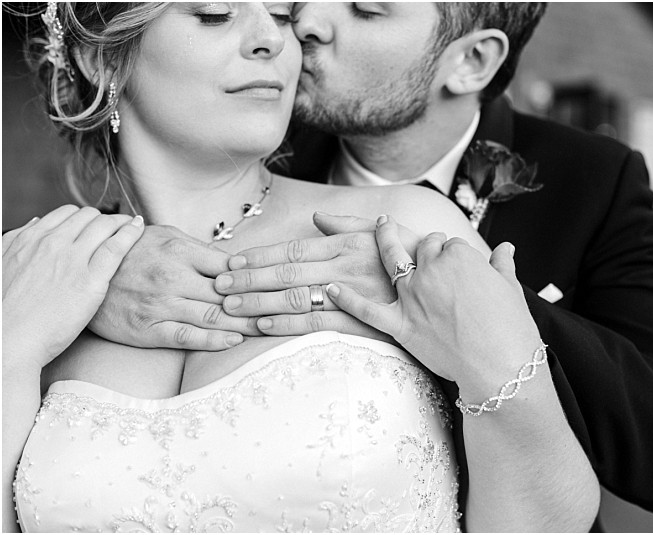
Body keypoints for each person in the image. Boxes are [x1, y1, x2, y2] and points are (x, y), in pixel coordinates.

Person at [88, 2, 653, 525]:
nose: (307, 22)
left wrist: (446, 291)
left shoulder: (591, 177)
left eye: (364, 10)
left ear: (471, 60)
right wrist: (104, 270)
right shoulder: (253, 135)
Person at [3, 2, 599, 532]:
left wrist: (492, 354)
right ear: (99, 59)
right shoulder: (34, 271)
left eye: (284, 15)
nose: (275, 41)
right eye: (215, 15)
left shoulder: (403, 224)